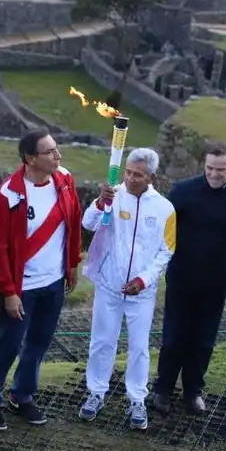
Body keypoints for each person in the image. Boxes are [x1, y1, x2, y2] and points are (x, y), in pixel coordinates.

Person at [0, 129, 83, 432]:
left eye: (56, 149)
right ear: (30, 159)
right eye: (50, 152)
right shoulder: (9, 194)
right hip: (22, 287)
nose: (57, 156)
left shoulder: (65, 180)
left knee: (38, 343)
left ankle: (22, 395)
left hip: (54, 282)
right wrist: (8, 291)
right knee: (9, 344)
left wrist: (72, 264)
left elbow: (74, 221)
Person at [152, 142, 226, 415]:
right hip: (182, 276)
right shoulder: (183, 191)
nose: (214, 174)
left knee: (204, 337)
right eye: (209, 168)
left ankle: (193, 391)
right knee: (174, 334)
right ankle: (163, 388)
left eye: (220, 169)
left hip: (216, 280)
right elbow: (166, 228)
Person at [78, 148, 175, 430]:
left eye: (138, 175)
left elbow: (166, 250)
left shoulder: (165, 209)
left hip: (141, 293)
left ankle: (137, 400)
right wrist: (100, 203)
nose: (131, 179)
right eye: (128, 172)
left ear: (151, 177)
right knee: (102, 341)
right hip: (109, 285)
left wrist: (143, 280)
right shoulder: (113, 194)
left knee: (139, 347)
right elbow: (87, 223)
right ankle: (96, 393)